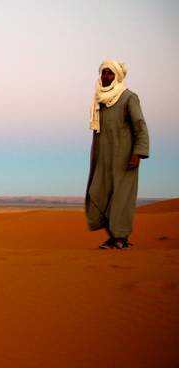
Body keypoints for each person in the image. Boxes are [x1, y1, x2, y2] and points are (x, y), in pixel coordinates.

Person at [85, 60, 149, 249]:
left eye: (110, 73)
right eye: (103, 73)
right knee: (99, 193)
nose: (106, 77)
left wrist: (138, 153)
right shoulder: (99, 100)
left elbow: (140, 126)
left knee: (121, 198)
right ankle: (113, 236)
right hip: (103, 157)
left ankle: (120, 238)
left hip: (125, 157)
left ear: (118, 76)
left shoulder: (129, 97)